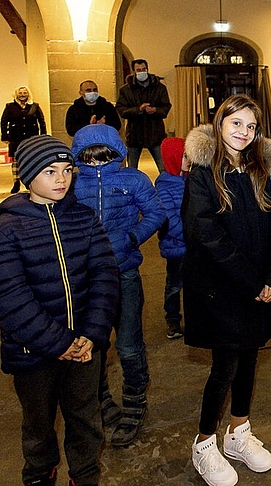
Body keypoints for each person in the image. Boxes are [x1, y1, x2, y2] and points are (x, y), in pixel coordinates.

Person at [183, 94, 271, 486]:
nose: (243, 132)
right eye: (235, 124)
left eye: (250, 126)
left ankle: (238, 433)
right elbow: (207, 237)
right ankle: (204, 443)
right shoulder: (203, 175)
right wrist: (253, 283)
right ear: (219, 125)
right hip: (222, 291)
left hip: (261, 288)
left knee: (249, 360)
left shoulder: (262, 173)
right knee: (224, 367)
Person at [0, 135, 119, 486]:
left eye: (67, 170)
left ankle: (84, 477)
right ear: (28, 174)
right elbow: (10, 297)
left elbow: (105, 274)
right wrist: (59, 343)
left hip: (84, 348)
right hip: (33, 353)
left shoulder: (83, 217)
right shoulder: (8, 227)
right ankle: (40, 475)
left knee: (86, 420)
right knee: (37, 426)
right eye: (50, 171)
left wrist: (91, 334)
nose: (62, 179)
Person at [71, 123, 166, 447]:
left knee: (128, 344)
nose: (97, 163)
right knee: (93, 345)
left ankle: (135, 401)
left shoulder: (133, 179)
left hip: (124, 273)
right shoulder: (71, 183)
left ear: (117, 155)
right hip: (85, 280)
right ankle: (101, 401)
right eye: (90, 158)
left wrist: (132, 237)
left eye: (105, 157)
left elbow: (155, 213)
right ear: (80, 157)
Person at [155, 137, 190, 340]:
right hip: (176, 247)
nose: (189, 159)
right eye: (185, 155)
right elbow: (169, 221)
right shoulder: (164, 187)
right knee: (175, 285)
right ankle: (173, 318)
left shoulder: (191, 179)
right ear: (173, 158)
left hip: (193, 246)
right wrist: (191, 235)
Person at [116, 59, 172, 172]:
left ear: (147, 69)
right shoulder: (126, 90)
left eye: (144, 69)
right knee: (132, 169)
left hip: (155, 133)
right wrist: (138, 109)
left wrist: (156, 110)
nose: (142, 72)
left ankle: (164, 188)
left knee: (163, 168)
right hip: (134, 134)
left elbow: (166, 107)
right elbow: (121, 110)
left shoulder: (160, 88)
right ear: (134, 71)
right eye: (138, 70)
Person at [1, 86, 47, 193]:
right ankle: (16, 183)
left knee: (31, 158)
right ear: (16, 94)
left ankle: (29, 181)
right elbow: (3, 122)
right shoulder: (10, 106)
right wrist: (5, 136)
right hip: (15, 138)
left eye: (25, 92)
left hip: (31, 137)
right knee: (16, 161)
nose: (22, 94)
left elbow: (41, 121)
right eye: (20, 93)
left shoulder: (34, 106)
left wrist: (43, 135)